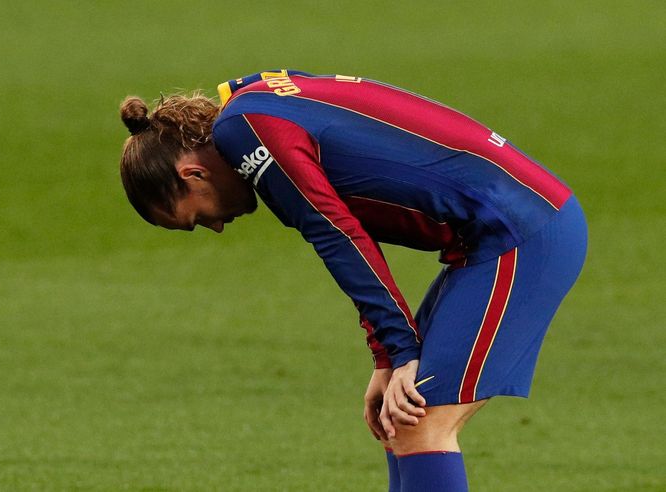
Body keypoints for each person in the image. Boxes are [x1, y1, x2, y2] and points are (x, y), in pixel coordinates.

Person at [118, 69, 587, 492]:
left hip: (521, 230)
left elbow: (335, 233)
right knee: (399, 423)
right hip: (496, 232)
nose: (215, 227)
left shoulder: (245, 131)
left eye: (196, 218)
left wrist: (401, 349)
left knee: (419, 424)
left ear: (193, 172)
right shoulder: (252, 103)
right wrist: (388, 357)